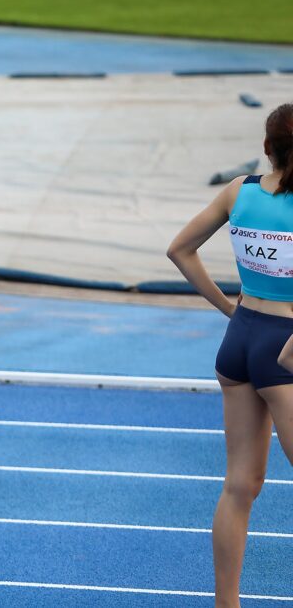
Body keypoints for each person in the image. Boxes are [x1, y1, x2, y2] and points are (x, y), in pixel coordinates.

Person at [167, 103, 293, 606]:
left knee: (239, 486)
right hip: (285, 348)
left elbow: (179, 250)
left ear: (267, 148)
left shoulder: (239, 191)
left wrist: (228, 309)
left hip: (240, 340)